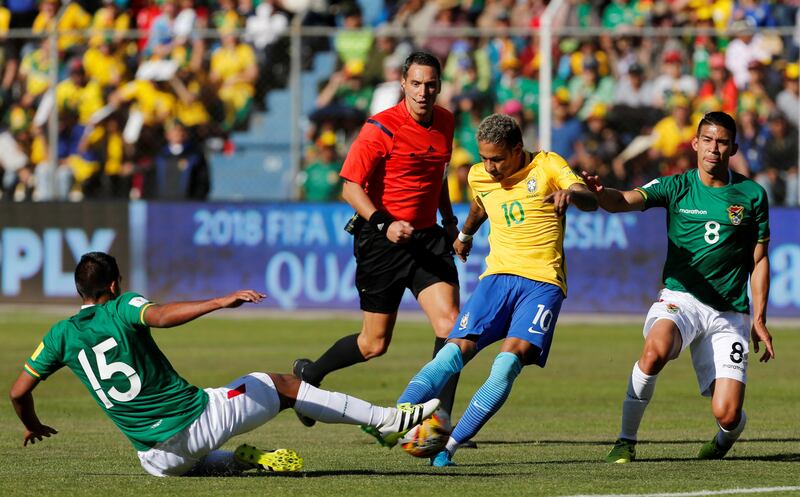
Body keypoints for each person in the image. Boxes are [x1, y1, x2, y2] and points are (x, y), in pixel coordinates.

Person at [9, 252, 439, 477]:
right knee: (283, 383)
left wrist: (30, 423)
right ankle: (385, 421)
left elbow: (17, 392)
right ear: (115, 284)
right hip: (192, 424)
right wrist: (218, 300)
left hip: (154, 461)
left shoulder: (58, 336)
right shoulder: (123, 306)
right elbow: (158, 316)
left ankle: (239, 459)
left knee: (191, 457)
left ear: (79, 290)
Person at [375, 113, 598, 466]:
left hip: (543, 284)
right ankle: (394, 418)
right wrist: (465, 234)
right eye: (484, 158)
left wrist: (574, 193)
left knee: (506, 365)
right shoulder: (480, 176)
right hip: (496, 280)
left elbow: (587, 196)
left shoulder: (547, 165)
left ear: (517, 150)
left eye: (497, 159)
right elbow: (480, 204)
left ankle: (449, 447)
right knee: (451, 354)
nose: (489, 167)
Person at [582, 111, 775, 464]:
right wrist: (601, 193)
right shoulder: (676, 186)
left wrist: (759, 318)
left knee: (728, 415)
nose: (713, 149)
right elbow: (622, 200)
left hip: (729, 312)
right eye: (708, 140)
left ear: (733, 147)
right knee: (655, 350)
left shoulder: (751, 194)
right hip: (680, 299)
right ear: (695, 143)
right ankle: (625, 441)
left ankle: (722, 440)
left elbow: (759, 259)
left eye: (722, 142)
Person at [293, 51, 462, 428]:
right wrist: (385, 223)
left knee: (451, 327)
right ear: (402, 84)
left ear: (439, 85)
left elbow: (438, 178)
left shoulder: (447, 121)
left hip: (427, 239)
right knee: (374, 344)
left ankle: (438, 421)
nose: (423, 92)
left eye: (430, 84)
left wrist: (449, 222)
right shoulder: (381, 128)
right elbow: (350, 188)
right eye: (415, 84)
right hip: (382, 241)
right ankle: (311, 376)